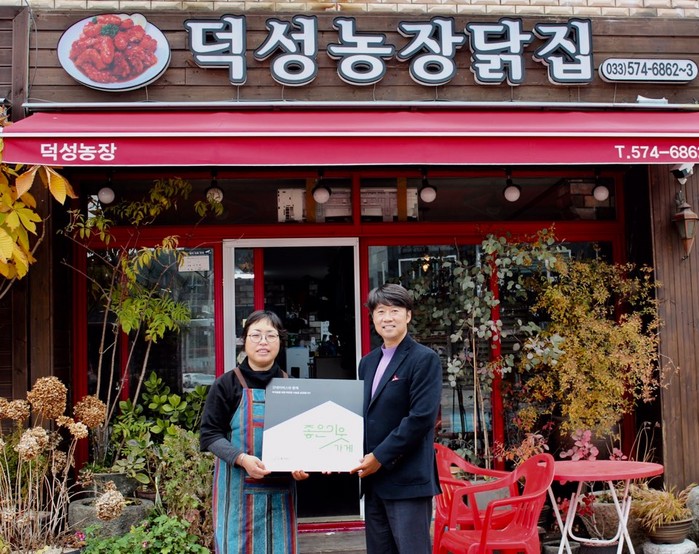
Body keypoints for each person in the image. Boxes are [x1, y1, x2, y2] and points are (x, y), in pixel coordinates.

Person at [200, 310, 309, 554]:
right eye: (256, 335)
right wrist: (241, 459)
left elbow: (302, 437)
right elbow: (210, 434)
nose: (263, 342)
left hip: (281, 492)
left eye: (271, 335)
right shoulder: (226, 384)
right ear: (244, 340)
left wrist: (302, 464)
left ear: (280, 341)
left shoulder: (292, 385)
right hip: (236, 491)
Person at [350, 283, 443, 554]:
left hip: (407, 481)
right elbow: (362, 416)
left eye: (394, 311)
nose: (387, 318)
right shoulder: (367, 363)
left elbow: (421, 418)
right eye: (380, 311)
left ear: (408, 315)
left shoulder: (424, 359)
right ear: (372, 317)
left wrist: (379, 457)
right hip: (374, 482)